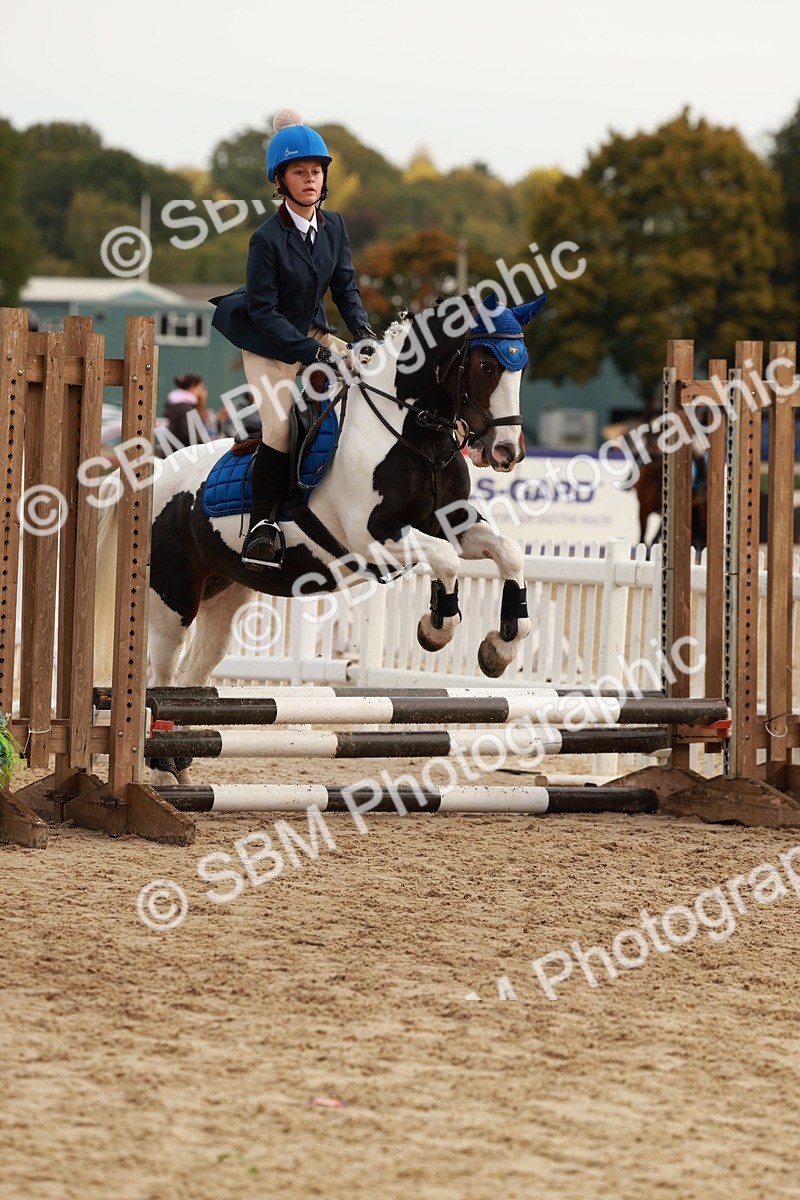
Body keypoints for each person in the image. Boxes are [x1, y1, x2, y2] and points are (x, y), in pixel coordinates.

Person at [210, 107, 378, 569]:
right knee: (281, 426)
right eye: (300, 172)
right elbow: (263, 312)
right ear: (280, 181)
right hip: (267, 343)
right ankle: (263, 526)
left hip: (311, 331)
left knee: (374, 382)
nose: (311, 179)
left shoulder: (335, 226)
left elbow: (345, 288)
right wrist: (314, 352)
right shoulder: (265, 239)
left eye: (317, 172)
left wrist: (362, 335)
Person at [163, 374, 209, 450]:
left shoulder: (177, 406)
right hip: (182, 454)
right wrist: (206, 445)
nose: (204, 393)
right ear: (192, 387)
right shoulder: (186, 408)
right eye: (201, 388)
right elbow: (188, 434)